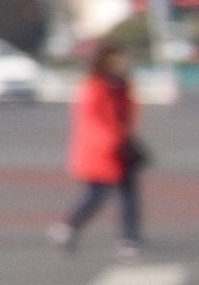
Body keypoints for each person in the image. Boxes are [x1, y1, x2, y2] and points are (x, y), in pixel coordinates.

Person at [54, 37, 147, 255]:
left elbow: (128, 115)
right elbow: (90, 122)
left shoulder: (122, 87)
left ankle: (129, 239)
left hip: (121, 150)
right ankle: (69, 226)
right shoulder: (93, 88)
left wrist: (125, 140)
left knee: (129, 196)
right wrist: (112, 142)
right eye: (116, 60)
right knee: (95, 196)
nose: (122, 64)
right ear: (104, 62)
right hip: (101, 153)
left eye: (122, 60)